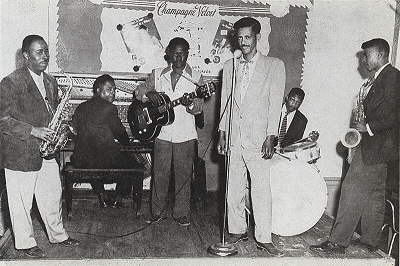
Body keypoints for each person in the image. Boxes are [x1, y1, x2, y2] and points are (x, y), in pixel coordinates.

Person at [310, 38, 399, 253]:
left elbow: (396, 115)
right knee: (374, 194)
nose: (364, 61)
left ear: (379, 54)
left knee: (350, 189)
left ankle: (338, 241)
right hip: (377, 148)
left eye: (366, 55)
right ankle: (370, 240)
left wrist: (366, 126)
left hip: (376, 145)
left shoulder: (393, 77)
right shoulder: (377, 79)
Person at [0, 35, 79, 258]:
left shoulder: (51, 81)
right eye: (39, 52)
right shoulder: (11, 82)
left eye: (46, 51)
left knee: (53, 194)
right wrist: (33, 131)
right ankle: (25, 244)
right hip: (20, 151)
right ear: (26, 56)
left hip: (46, 149)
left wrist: (61, 127)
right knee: (21, 201)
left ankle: (58, 235)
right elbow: (1, 119)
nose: (45, 56)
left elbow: (51, 112)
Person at [217, 17, 286, 257]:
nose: (243, 42)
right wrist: (222, 132)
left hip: (259, 139)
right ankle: (237, 229)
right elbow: (225, 103)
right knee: (233, 188)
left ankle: (264, 237)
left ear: (258, 37)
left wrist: (271, 136)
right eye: (240, 37)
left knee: (260, 190)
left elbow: (275, 104)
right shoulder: (229, 66)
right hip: (234, 136)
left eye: (248, 37)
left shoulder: (274, 65)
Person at [135, 37, 204, 227]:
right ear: (169, 54)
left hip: (186, 134)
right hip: (162, 134)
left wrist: (191, 104)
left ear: (188, 53)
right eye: (175, 53)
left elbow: (199, 107)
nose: (179, 57)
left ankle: (181, 212)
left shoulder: (196, 78)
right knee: (160, 174)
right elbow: (139, 91)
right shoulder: (157, 74)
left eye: (183, 53)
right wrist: (148, 94)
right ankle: (157, 212)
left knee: (183, 175)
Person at [70, 74, 136, 208]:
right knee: (132, 162)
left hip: (82, 160)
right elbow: (121, 134)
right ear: (98, 91)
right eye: (109, 89)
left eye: (114, 89)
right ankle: (119, 196)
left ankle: (102, 194)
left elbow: (75, 132)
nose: (113, 93)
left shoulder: (81, 107)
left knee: (95, 157)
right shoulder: (109, 108)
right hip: (105, 161)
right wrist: (126, 141)